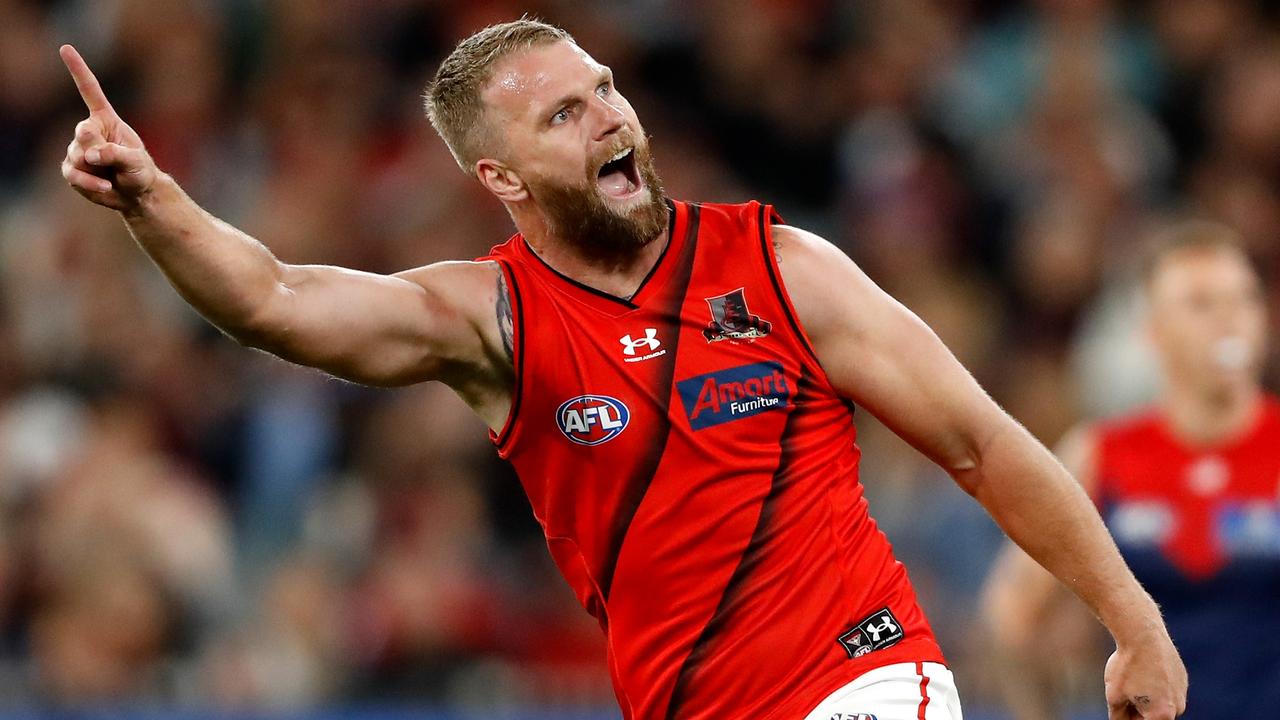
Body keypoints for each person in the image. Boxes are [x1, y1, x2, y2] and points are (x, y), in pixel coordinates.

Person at [57, 19, 1186, 720]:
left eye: (604, 88)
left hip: (867, 680)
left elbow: (982, 444)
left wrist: (1129, 620)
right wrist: (155, 203)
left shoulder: (783, 268)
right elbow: (271, 301)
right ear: (500, 176)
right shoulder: (491, 318)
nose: (608, 119)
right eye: (565, 113)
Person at [984, 223, 1275, 720]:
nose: (1229, 319)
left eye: (1244, 299)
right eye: (1201, 304)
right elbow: (1011, 614)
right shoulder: (1103, 454)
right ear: (1153, 331)